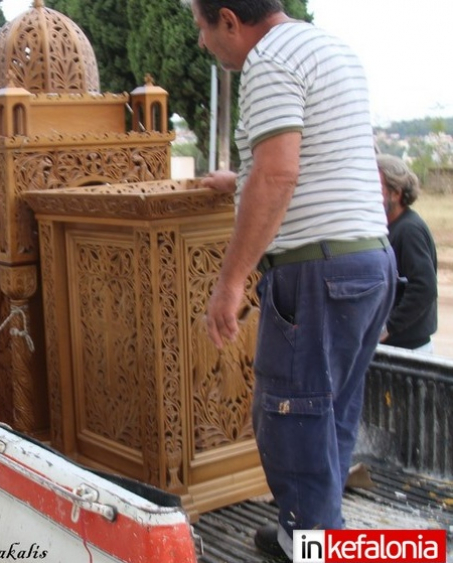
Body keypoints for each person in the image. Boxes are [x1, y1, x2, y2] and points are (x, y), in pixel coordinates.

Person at [186, 0, 396, 560]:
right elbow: (319, 158)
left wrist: (231, 283)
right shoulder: (328, 47)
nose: (203, 43)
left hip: (317, 272)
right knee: (328, 415)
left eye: (203, 27)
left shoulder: (268, 60)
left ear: (229, 19)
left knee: (290, 419)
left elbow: (281, 171)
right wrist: (242, 179)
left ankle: (313, 544)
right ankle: (304, 534)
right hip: (370, 261)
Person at [377, 154, 438, 353]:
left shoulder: (409, 230)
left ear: (396, 193)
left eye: (377, 188)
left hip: (408, 349)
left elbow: (424, 288)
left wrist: (389, 327)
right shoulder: (388, 228)